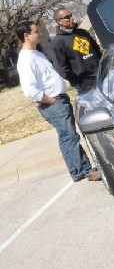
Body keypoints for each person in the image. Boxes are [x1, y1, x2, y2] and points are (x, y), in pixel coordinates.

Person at [15, 20, 101, 182]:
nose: (40, 33)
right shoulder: (26, 60)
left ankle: (77, 171)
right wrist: (50, 100)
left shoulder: (36, 53)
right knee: (69, 137)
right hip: (53, 104)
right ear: (26, 36)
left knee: (67, 136)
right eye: (36, 31)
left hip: (59, 100)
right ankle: (85, 170)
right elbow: (29, 89)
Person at [51, 8, 102, 94]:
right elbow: (61, 68)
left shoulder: (83, 33)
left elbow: (97, 51)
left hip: (101, 74)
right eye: (67, 17)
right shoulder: (57, 42)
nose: (71, 18)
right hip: (85, 84)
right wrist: (80, 81)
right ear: (59, 21)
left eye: (71, 15)